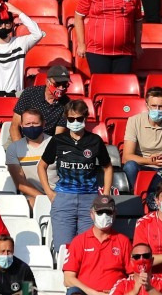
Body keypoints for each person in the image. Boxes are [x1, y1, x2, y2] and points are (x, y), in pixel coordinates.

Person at [39, 99, 113, 254]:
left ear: (85, 118)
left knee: (88, 248)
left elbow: (107, 167)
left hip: (89, 199)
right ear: (66, 119)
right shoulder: (58, 140)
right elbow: (42, 166)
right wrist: (49, 193)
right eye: (71, 119)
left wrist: (105, 193)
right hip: (64, 199)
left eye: (79, 119)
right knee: (64, 249)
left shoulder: (95, 140)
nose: (75, 122)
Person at [73, 0, 143, 74]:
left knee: (121, 88)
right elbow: (78, 18)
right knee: (101, 85)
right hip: (96, 52)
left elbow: (138, 20)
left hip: (124, 52)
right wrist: (81, 44)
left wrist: (137, 45)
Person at [62, 195, 132, 295]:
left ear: (114, 214)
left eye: (108, 212)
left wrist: (119, 291)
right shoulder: (79, 241)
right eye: (100, 212)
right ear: (92, 214)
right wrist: (93, 293)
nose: (104, 215)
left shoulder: (123, 241)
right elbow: (68, 279)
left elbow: (134, 276)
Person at [121, 87, 162, 192]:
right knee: (130, 166)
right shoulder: (134, 121)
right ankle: (136, 194)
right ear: (147, 105)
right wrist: (150, 161)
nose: (157, 110)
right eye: (154, 106)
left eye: (161, 107)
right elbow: (127, 156)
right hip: (142, 164)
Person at [5, 108, 57, 210]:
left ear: (43, 124)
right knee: (30, 204)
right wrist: (44, 198)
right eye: (28, 124)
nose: (31, 126)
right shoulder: (14, 148)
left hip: (58, 193)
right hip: (33, 196)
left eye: (35, 123)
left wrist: (54, 196)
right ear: (21, 124)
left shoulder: (56, 143)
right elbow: (20, 183)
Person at [9, 65, 70, 141]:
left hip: (46, 142)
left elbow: (57, 136)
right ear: (47, 82)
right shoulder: (29, 93)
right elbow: (14, 126)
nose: (61, 88)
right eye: (57, 84)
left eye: (65, 84)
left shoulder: (67, 104)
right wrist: (19, 149)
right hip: (20, 138)